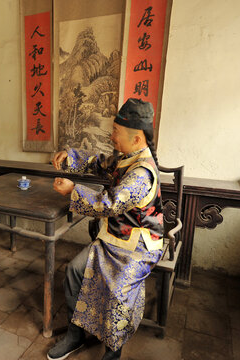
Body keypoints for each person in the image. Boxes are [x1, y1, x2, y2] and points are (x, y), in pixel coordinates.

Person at [48, 98, 164, 360]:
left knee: (117, 294)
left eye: (116, 132)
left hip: (138, 248)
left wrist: (73, 190)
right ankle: (75, 335)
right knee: (75, 271)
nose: (111, 136)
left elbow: (109, 204)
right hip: (113, 239)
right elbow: (97, 161)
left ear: (136, 139)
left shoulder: (141, 173)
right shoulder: (126, 158)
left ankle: (113, 352)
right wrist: (69, 155)